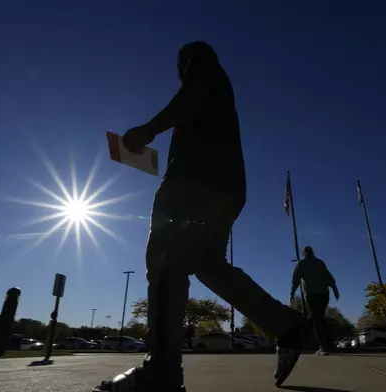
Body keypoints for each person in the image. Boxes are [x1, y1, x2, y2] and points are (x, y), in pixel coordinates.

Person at [94, 41, 306, 392]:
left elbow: (192, 92)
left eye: (181, 66)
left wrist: (148, 130)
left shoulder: (202, 67)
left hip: (193, 186)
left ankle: (161, 371)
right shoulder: (219, 101)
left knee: (165, 261)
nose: (180, 72)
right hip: (227, 190)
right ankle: (286, 325)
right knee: (208, 264)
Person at [290, 246, 340, 356]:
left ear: (304, 253)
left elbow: (296, 280)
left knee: (317, 319)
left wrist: (292, 293)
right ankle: (328, 344)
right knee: (320, 317)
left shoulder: (301, 263)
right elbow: (328, 276)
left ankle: (324, 347)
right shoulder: (319, 262)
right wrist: (334, 288)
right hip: (324, 293)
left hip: (312, 294)